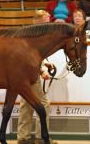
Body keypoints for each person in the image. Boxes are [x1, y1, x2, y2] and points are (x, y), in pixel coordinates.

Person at [17, 10, 57, 144]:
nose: (49, 24)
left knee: (26, 104)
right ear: (38, 21)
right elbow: (29, 58)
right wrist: (41, 71)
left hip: (22, 75)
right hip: (30, 74)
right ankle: (41, 137)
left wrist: (45, 63)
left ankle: (23, 137)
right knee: (43, 104)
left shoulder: (31, 35)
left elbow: (35, 56)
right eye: (46, 21)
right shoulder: (34, 37)